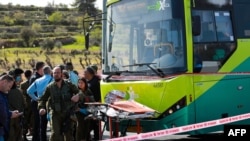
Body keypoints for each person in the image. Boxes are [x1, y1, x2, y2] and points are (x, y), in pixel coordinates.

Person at [38, 66, 79, 141]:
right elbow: (42, 99)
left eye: (58, 73)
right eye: (54, 73)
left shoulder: (69, 85)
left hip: (68, 114)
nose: (56, 74)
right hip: (55, 114)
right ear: (52, 74)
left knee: (68, 134)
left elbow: (80, 92)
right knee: (56, 134)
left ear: (61, 74)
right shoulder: (50, 87)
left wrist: (78, 96)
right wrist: (41, 108)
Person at [27, 65, 53, 141]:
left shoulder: (37, 80)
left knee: (42, 125)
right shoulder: (53, 79)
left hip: (41, 104)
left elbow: (29, 91)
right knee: (53, 125)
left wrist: (36, 99)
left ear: (43, 72)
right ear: (50, 71)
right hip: (51, 104)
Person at [0, 74, 23, 141]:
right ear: (4, 82)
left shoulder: (3, 94)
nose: (9, 89)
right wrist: (10, 114)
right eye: (9, 86)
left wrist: (10, 113)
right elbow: (2, 114)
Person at [7, 68, 26, 141]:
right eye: (18, 78)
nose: (20, 80)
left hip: (18, 119)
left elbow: (23, 105)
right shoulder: (5, 92)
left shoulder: (18, 91)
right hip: (10, 120)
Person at [29, 61, 45, 141]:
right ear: (40, 68)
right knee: (37, 123)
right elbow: (33, 91)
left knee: (38, 123)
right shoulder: (36, 78)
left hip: (37, 102)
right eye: (43, 68)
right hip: (36, 102)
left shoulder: (37, 76)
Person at [84, 66, 101, 140]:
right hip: (89, 106)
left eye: (85, 72)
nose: (84, 74)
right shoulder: (88, 82)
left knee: (94, 124)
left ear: (89, 74)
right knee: (90, 124)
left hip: (95, 106)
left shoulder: (95, 82)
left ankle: (96, 138)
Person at [20, 69, 33, 141]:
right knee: (32, 120)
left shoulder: (22, 84)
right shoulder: (34, 83)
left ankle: (24, 135)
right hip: (32, 104)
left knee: (25, 121)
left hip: (26, 105)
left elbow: (22, 95)